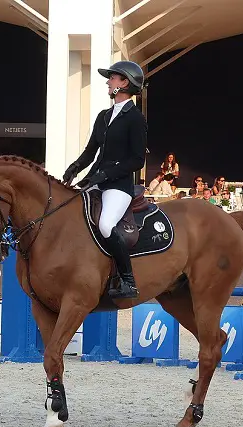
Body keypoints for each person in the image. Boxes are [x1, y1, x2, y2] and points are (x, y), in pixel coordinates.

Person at [62, 60, 147, 299]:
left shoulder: (135, 119)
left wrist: (107, 174)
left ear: (124, 83)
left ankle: (127, 280)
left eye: (112, 78)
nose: (108, 82)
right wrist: (74, 168)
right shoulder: (104, 116)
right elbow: (91, 152)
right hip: (95, 181)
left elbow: (137, 160)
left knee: (106, 225)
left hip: (118, 186)